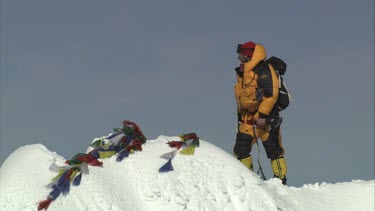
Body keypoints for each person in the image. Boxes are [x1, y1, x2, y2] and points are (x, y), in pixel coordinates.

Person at [233, 41, 287, 185]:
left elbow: (271, 95)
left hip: (265, 120)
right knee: (240, 150)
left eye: (241, 53)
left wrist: (262, 115)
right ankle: (248, 181)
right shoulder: (243, 71)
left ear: (248, 54)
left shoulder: (264, 69)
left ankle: (281, 182)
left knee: (274, 151)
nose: (239, 56)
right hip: (247, 120)